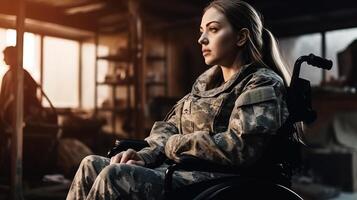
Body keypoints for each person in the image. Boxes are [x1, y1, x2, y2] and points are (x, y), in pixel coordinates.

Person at [66, 0, 294, 199]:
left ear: (241, 36)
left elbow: (242, 148)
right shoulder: (204, 84)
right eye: (202, 30)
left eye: (213, 30)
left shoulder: (261, 82)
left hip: (221, 178)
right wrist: (144, 155)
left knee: (114, 176)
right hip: (184, 169)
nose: (201, 39)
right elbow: (170, 127)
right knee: (90, 165)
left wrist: (174, 145)